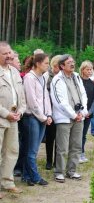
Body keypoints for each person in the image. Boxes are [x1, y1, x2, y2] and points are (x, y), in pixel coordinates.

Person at [50, 54, 88, 183]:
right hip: (65, 118)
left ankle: (72, 170)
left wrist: (83, 112)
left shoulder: (77, 76)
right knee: (62, 147)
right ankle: (59, 172)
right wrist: (73, 115)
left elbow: (83, 94)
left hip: (79, 117)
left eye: (73, 62)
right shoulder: (57, 79)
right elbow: (59, 101)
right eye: (69, 62)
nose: (72, 64)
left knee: (76, 145)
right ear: (61, 66)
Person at [0, 41, 26, 197]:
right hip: (2, 118)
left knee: (12, 150)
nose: (9, 56)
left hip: (14, 119)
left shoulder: (15, 72)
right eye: (5, 54)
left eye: (10, 53)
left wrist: (20, 112)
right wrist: (5, 113)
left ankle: (7, 182)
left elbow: (21, 97)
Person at [22, 53, 52, 186]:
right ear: (38, 64)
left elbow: (46, 97)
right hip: (32, 117)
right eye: (46, 63)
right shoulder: (29, 78)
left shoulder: (43, 78)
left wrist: (49, 115)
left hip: (42, 118)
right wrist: (43, 117)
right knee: (32, 149)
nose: (48, 65)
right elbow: (32, 101)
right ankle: (34, 176)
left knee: (33, 148)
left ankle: (26, 175)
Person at [43, 55, 61, 170]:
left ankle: (56, 161)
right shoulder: (46, 76)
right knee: (50, 138)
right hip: (49, 111)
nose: (58, 69)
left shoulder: (63, 77)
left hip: (60, 111)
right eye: (57, 66)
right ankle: (49, 160)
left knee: (59, 138)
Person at [79, 61, 94, 163]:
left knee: (84, 134)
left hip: (88, 114)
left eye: (91, 69)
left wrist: (89, 112)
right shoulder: (78, 82)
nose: (90, 71)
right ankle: (76, 153)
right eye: (88, 69)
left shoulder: (93, 84)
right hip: (79, 113)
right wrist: (82, 112)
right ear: (82, 70)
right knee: (77, 134)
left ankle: (82, 152)